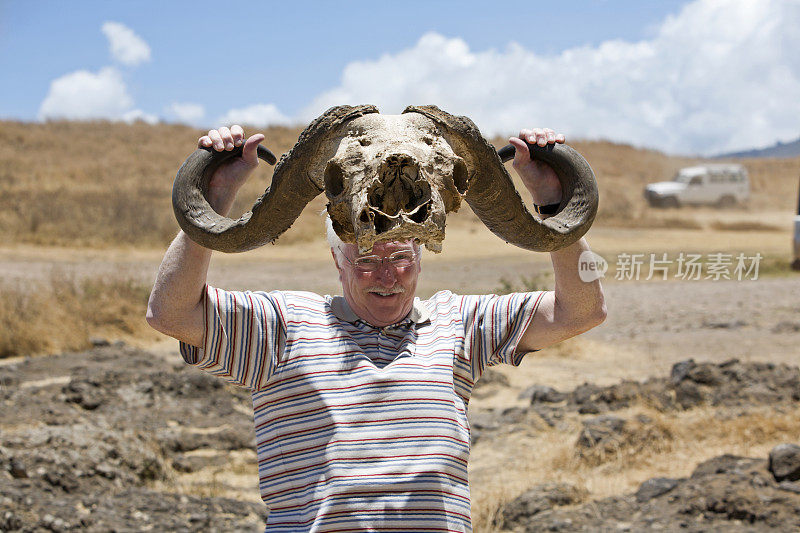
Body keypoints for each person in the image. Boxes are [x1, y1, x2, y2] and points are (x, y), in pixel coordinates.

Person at [146, 123, 606, 532]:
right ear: (336, 260)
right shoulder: (281, 327)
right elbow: (171, 312)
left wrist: (553, 207)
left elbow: (581, 311)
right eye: (366, 260)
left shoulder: (460, 324)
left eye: (401, 258)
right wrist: (214, 201)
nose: (387, 277)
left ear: (421, 259)